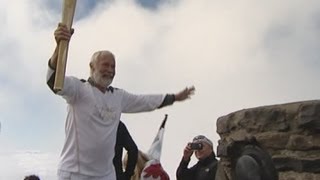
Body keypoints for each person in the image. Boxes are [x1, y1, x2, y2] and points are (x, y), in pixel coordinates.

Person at [46, 23, 195, 180]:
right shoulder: (78, 89)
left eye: (113, 66)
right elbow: (53, 81)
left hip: (106, 175)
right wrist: (59, 46)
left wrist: (174, 97)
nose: (110, 70)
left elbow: (145, 101)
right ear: (92, 66)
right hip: (74, 174)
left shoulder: (118, 97)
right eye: (105, 65)